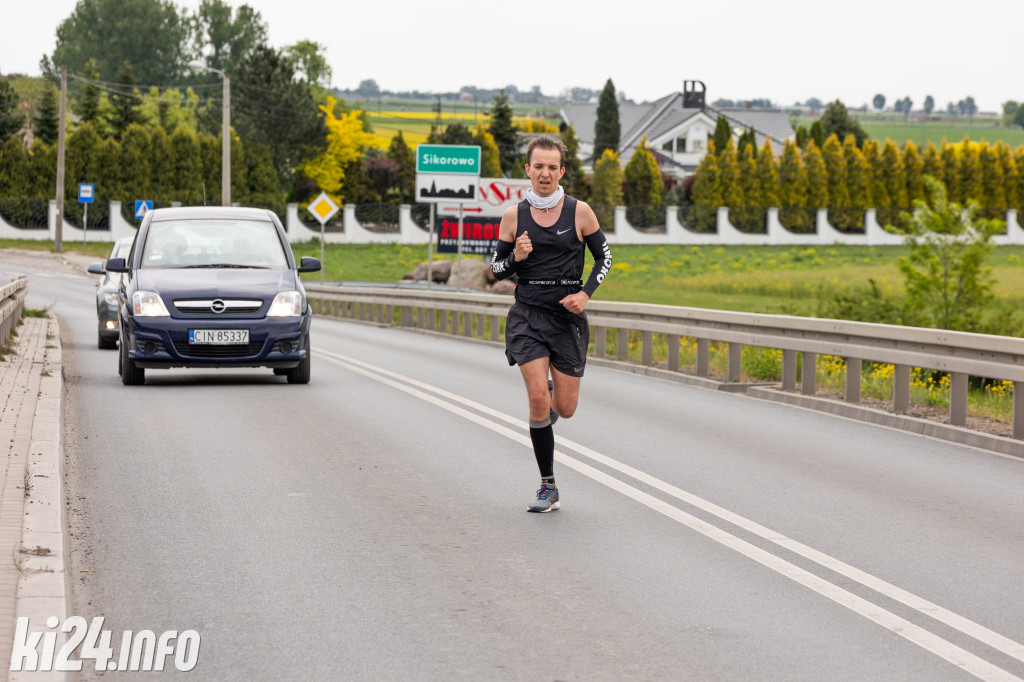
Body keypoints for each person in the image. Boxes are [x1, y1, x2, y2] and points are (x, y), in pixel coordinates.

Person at [490, 135, 612, 513]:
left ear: (562, 171)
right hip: (527, 315)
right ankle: (548, 486)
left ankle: (548, 398)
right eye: (538, 166)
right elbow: (495, 270)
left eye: (551, 167)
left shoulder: (580, 212)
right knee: (538, 400)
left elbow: (604, 258)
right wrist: (516, 258)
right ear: (527, 170)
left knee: (566, 407)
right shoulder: (514, 216)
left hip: (566, 317)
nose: (544, 173)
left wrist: (586, 294)